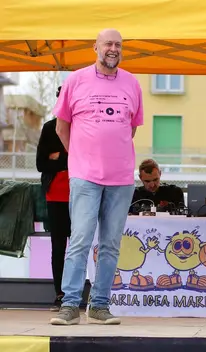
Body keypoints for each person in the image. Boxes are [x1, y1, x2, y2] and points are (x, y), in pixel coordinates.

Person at [49, 28, 144, 326]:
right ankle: (69, 305)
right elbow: (61, 128)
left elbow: (132, 127)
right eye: (108, 44)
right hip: (85, 177)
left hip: (120, 179)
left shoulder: (132, 82)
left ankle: (100, 304)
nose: (113, 49)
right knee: (79, 240)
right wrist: (80, 155)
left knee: (111, 244)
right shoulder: (75, 80)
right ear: (96, 48)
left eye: (118, 44)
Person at [36, 86, 70, 311]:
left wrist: (58, 158)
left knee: (83, 246)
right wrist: (66, 159)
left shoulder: (83, 126)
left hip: (83, 193)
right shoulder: (49, 128)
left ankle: (80, 292)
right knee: (59, 246)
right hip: (56, 194)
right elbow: (41, 164)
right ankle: (60, 293)